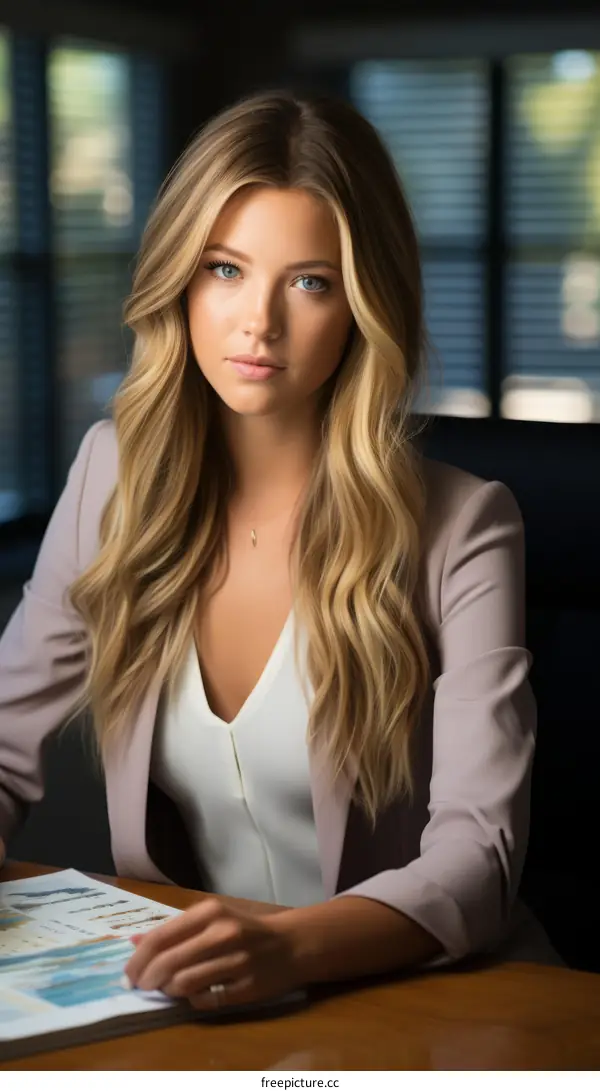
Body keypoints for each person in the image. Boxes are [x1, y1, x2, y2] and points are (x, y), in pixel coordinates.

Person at [0, 89, 558, 1012]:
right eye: (225, 268)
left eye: (310, 282)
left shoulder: (465, 525)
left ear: (364, 304)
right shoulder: (111, 474)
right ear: (179, 278)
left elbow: (478, 858)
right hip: (207, 1003)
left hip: (428, 1002)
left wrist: (286, 947)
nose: (258, 321)